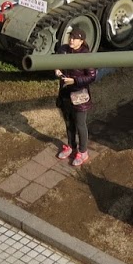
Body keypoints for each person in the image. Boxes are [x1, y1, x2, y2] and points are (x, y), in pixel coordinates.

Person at [54, 27, 97, 166]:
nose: (71, 40)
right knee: (69, 123)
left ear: (81, 41)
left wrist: (75, 81)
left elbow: (91, 76)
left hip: (79, 95)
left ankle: (83, 152)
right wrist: (57, 70)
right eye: (70, 37)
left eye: (75, 38)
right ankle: (71, 146)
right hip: (65, 92)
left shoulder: (86, 55)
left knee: (80, 124)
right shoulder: (63, 50)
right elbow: (56, 63)